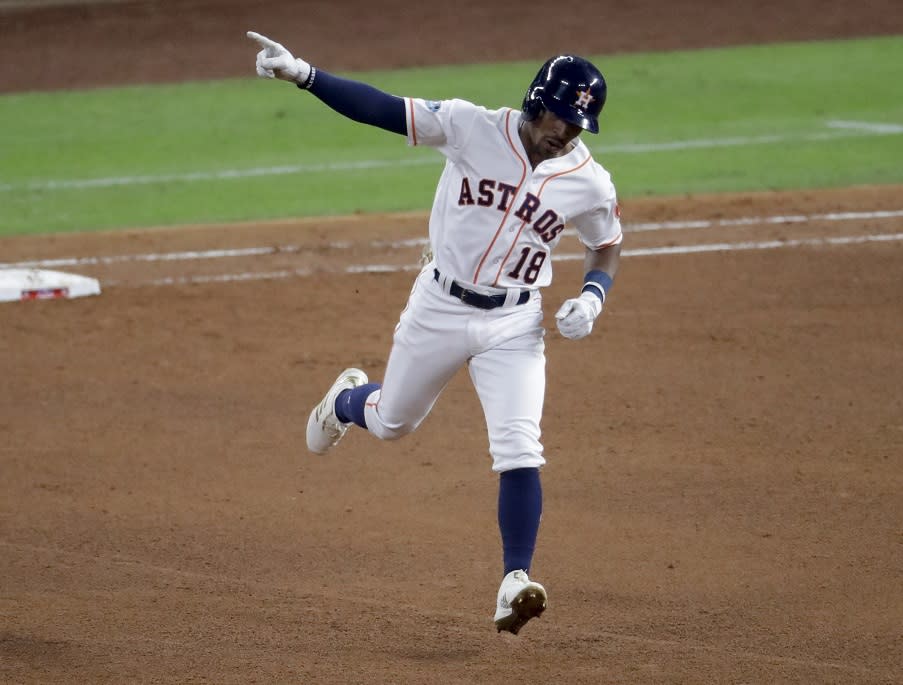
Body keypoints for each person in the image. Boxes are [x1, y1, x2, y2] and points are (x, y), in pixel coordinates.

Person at [247, 31, 623, 635]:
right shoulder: (471, 127)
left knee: (520, 448)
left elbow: (605, 244)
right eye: (560, 117)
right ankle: (346, 401)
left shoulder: (589, 180)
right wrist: (306, 75)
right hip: (439, 307)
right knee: (393, 421)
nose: (567, 133)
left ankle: (514, 581)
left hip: (514, 322)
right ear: (536, 102)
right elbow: (384, 109)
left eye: (579, 125)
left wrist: (592, 295)